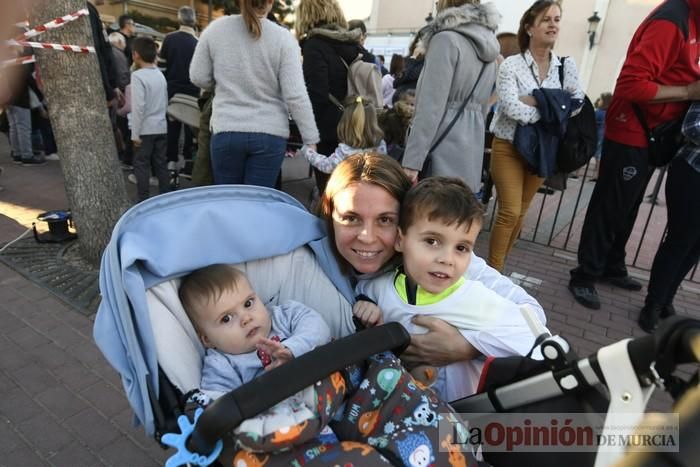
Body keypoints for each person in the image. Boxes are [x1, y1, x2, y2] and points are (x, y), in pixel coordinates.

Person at [319, 153, 546, 395]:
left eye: (385, 219)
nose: (367, 236)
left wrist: (467, 346)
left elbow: (533, 323)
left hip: (456, 411)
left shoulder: (458, 272)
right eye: (350, 218)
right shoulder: (318, 267)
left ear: (401, 231)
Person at [569, 0, 700, 310]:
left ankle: (612, 265)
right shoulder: (673, 22)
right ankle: (584, 274)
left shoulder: (690, 19)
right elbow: (631, 85)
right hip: (632, 130)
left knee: (627, 204)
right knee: (611, 204)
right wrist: (688, 92)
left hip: (652, 133)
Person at [487, 0, 584, 273]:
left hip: (544, 148)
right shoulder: (511, 65)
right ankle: (494, 273)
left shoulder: (566, 66)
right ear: (529, 27)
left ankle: (500, 267)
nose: (553, 24)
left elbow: (576, 104)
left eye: (556, 19)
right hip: (509, 145)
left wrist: (536, 102)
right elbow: (510, 107)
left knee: (521, 213)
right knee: (509, 212)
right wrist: (552, 107)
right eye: (546, 19)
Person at [190, 0, 319, 187]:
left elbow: (198, 77)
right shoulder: (283, 38)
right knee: (259, 206)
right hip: (270, 132)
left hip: (227, 128)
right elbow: (295, 95)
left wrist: (223, 82)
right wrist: (310, 138)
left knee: (228, 202)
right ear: (271, 2)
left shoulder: (215, 30)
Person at [178, 264, 331, 394]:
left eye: (248, 304)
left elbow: (320, 329)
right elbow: (219, 407)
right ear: (207, 339)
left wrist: (291, 349)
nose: (246, 318)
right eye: (226, 318)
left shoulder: (283, 316)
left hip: (326, 385)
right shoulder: (222, 365)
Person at [400, 0, 500, 192]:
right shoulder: (490, 45)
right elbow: (484, 107)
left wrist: (412, 162)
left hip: (440, 145)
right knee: (457, 214)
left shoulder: (445, 40)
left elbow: (430, 107)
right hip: (471, 146)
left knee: (428, 214)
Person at [295, 0, 375, 192]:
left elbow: (316, 92)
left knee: (330, 191)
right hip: (358, 123)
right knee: (354, 188)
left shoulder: (314, 45)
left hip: (329, 129)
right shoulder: (352, 43)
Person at [639, 102, 700, 331]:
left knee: (695, 247)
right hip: (693, 171)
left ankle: (667, 299)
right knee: (679, 241)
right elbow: (692, 127)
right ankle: (652, 304)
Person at [158, 6, 199, 186]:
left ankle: (171, 161)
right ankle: (189, 159)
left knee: (172, 128)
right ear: (194, 20)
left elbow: (161, 67)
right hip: (193, 92)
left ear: (179, 19)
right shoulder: (198, 43)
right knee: (192, 128)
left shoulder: (169, 39)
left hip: (172, 90)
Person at [297, 94, 386, 174]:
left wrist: (308, 151)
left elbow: (326, 166)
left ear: (345, 124)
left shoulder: (345, 151)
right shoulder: (380, 144)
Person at [130, 36, 170, 202]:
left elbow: (138, 107)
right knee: (161, 164)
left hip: (145, 128)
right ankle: (166, 197)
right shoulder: (160, 75)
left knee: (142, 164)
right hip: (161, 126)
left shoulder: (138, 76)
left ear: (136, 55)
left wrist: (135, 133)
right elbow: (165, 100)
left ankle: (143, 200)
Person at [589, 91, 612, 182]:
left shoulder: (598, 112)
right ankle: (597, 174)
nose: (599, 101)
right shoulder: (609, 113)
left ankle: (576, 173)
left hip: (596, 135)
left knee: (590, 154)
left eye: (601, 100)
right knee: (599, 156)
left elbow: (591, 122)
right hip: (605, 136)